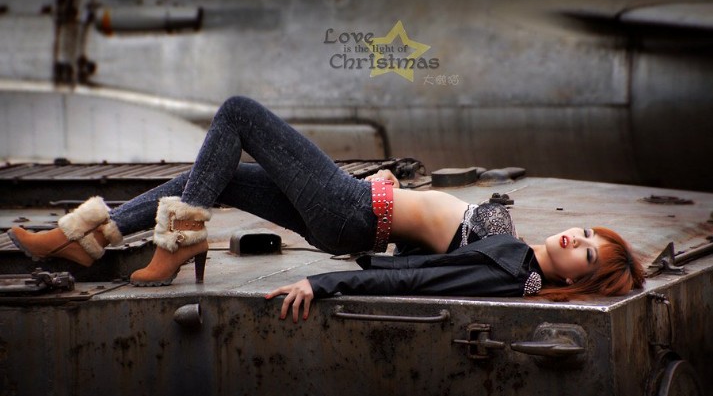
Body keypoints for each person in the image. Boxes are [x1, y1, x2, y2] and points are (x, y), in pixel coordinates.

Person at [7, 96, 645, 321]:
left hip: (350, 209)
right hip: (356, 206)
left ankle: (180, 243)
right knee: (212, 174)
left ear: (577, 282)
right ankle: (81, 238)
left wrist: (324, 282)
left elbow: (418, 280)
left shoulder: (509, 272)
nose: (576, 239)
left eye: (588, 256)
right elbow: (426, 249)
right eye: (587, 233)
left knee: (236, 113)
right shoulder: (517, 255)